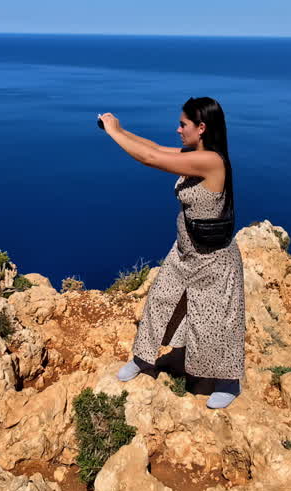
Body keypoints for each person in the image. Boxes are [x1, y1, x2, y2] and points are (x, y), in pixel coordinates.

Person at [98, 97, 246, 409]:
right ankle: (143, 359)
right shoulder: (194, 155)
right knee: (159, 301)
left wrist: (112, 132)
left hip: (213, 260)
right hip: (184, 251)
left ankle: (228, 382)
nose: (177, 129)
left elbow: (150, 158)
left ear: (201, 127)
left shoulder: (211, 162)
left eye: (183, 124)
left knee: (215, 323)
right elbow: (153, 147)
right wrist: (123, 130)